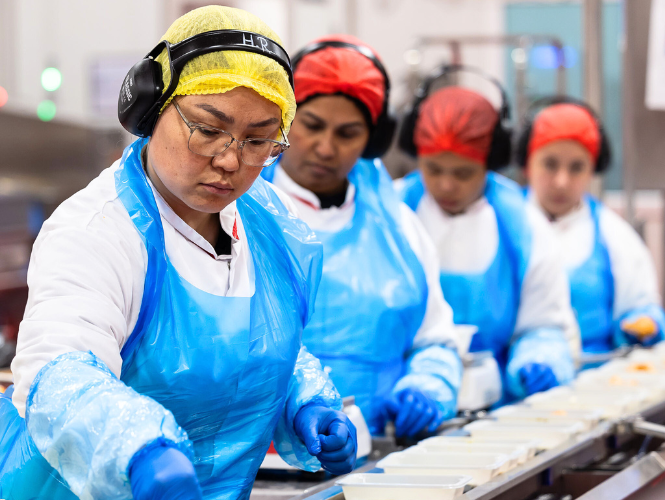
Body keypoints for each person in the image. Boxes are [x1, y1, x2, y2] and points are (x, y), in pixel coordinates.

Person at [0, 7, 357, 500]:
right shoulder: (98, 229)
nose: (230, 160)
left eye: (257, 141)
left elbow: (256, 342)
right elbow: (58, 373)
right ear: (151, 109)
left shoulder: (267, 224)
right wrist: (139, 448)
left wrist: (305, 402)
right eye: (208, 129)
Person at [260, 35, 462, 439]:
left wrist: (428, 385)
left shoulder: (398, 227)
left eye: (347, 133)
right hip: (260, 460)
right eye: (312, 126)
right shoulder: (239, 213)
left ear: (372, 140)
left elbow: (435, 338)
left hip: (375, 451)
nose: (326, 147)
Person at [395, 74, 578, 401]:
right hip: (402, 400)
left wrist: (540, 357)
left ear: (490, 164)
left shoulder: (521, 224)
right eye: (434, 170)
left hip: (496, 407)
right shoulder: (392, 212)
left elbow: (544, 322)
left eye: (463, 173)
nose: (447, 186)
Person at [518, 98, 665, 359]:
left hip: (594, 387)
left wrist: (642, 322)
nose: (561, 182)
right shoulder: (501, 223)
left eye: (577, 167)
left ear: (593, 170)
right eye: (550, 164)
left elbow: (639, 304)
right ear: (527, 164)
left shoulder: (615, 236)